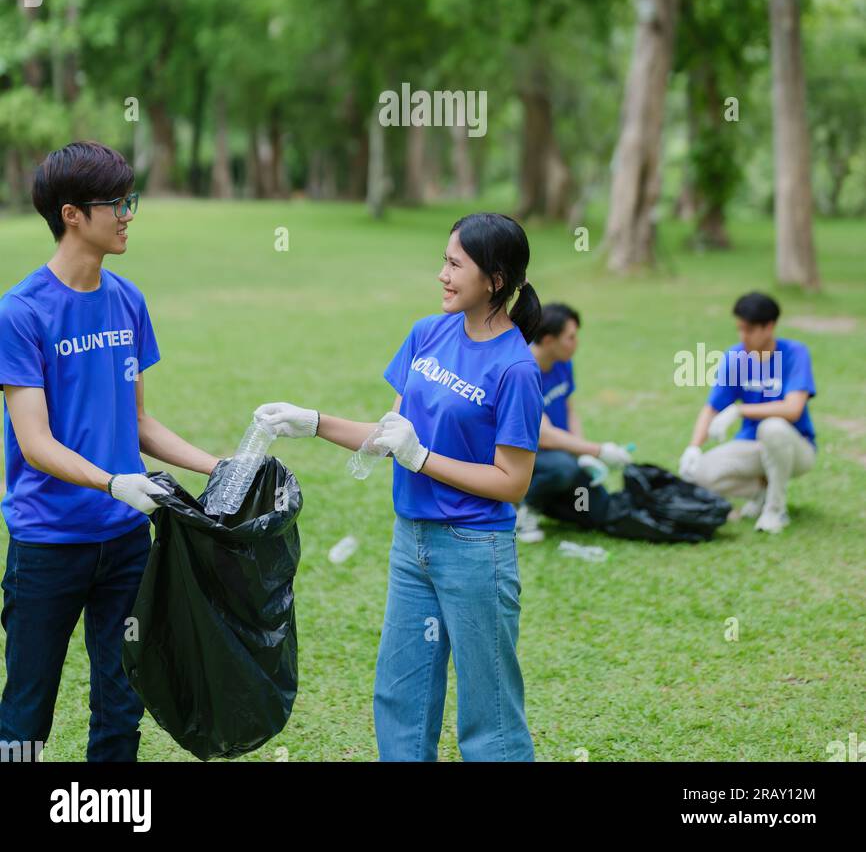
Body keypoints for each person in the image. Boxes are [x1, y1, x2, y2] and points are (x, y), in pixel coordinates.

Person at [255, 211, 544, 762]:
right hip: (411, 544)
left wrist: (423, 458)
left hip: (474, 550)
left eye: (455, 265)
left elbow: (512, 482)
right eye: (443, 260)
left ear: (495, 280)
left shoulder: (516, 369)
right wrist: (311, 421)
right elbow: (392, 435)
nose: (442, 274)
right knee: (401, 699)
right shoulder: (427, 333)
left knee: (490, 716)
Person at [0, 141, 221, 762]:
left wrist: (220, 466)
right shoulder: (21, 312)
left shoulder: (128, 299)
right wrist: (113, 482)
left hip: (126, 541)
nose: (128, 215)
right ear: (72, 214)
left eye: (130, 200)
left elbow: (139, 423)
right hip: (48, 543)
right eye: (116, 204)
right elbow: (35, 444)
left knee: (122, 703)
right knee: (26, 711)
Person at [678, 291, 817, 534]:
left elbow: (793, 409)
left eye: (749, 330)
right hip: (752, 446)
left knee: (772, 427)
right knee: (697, 474)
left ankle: (775, 509)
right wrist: (694, 447)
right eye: (740, 329)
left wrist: (739, 410)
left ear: (769, 327)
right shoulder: (736, 358)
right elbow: (712, 407)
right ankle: (761, 493)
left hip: (796, 448)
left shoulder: (794, 353)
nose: (743, 336)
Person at [516, 303, 632, 540]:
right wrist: (598, 450)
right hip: (524, 453)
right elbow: (542, 435)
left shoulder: (562, 362)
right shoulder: (522, 372)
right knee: (563, 468)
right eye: (570, 337)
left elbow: (569, 408)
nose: (576, 343)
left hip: (559, 450)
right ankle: (522, 508)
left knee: (593, 509)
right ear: (548, 340)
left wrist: (581, 452)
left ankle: (548, 503)